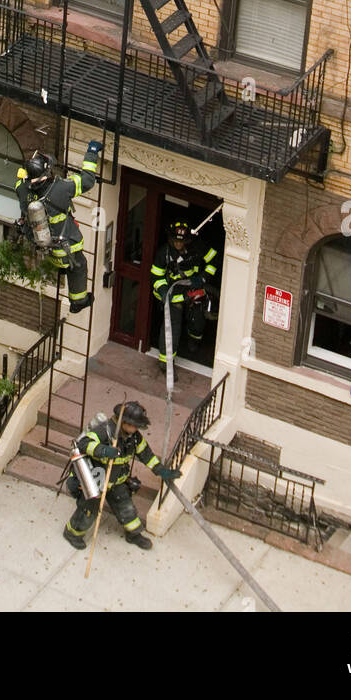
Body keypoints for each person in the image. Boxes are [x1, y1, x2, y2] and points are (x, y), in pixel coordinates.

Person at [63, 401, 181, 551]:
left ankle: (133, 534)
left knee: (126, 507)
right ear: (124, 422)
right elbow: (84, 444)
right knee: (88, 510)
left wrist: (162, 471)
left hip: (117, 481)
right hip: (97, 480)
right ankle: (72, 533)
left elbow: (147, 456)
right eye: (134, 425)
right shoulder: (104, 431)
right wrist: (104, 450)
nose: (137, 429)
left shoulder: (135, 437)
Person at [15, 141, 102, 313]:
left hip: (46, 247)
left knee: (66, 265)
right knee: (79, 266)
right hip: (66, 247)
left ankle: (63, 268)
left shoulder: (22, 190)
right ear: (46, 174)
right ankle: (79, 302)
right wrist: (92, 153)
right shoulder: (61, 189)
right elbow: (87, 180)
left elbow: (19, 182)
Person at [150, 218, 218, 371]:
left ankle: (194, 340)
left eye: (182, 241)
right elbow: (156, 276)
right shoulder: (164, 253)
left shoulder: (198, 247)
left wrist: (202, 278)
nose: (178, 244)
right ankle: (165, 361)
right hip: (173, 293)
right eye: (175, 240)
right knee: (172, 325)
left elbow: (213, 260)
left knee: (198, 317)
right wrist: (164, 292)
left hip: (193, 287)